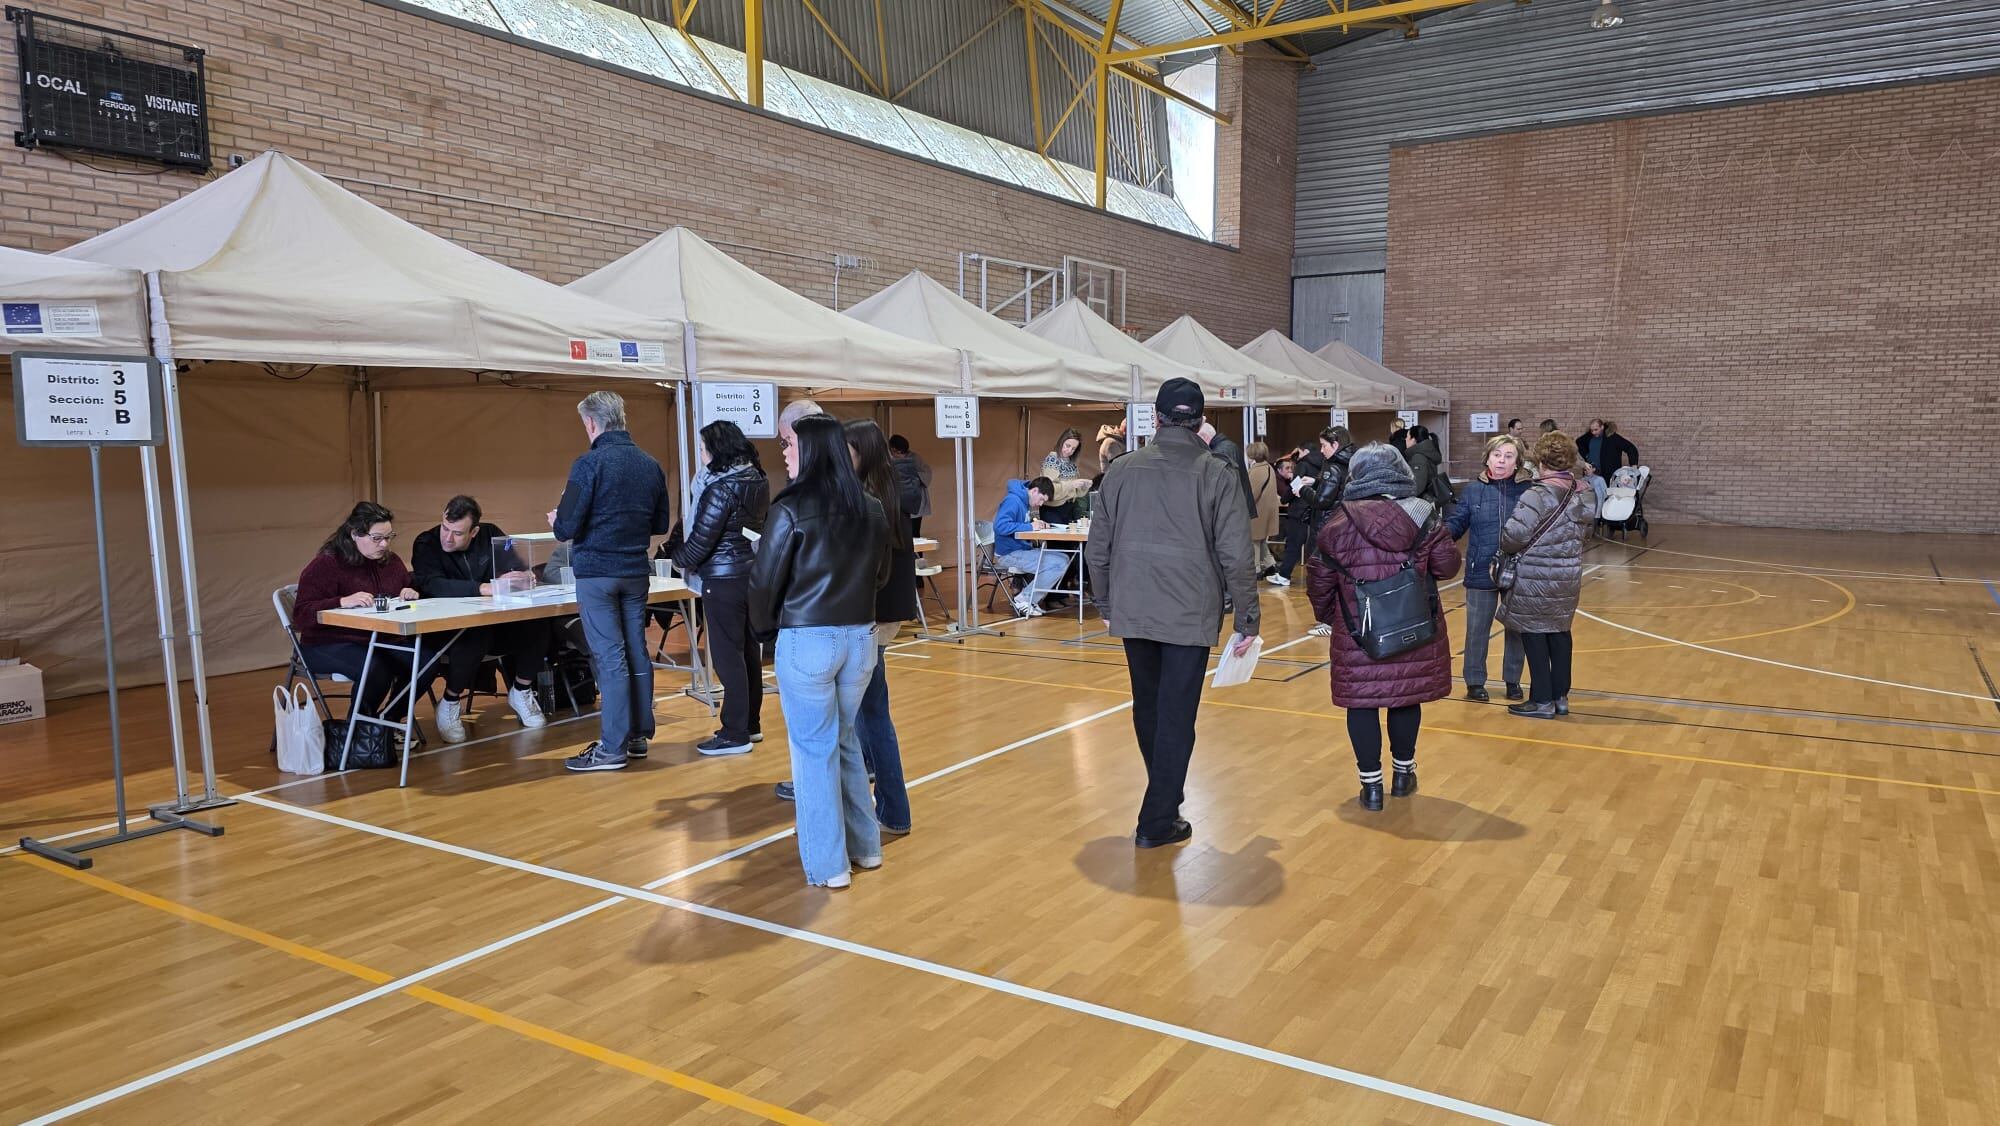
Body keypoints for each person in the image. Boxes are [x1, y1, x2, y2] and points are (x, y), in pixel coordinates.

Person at [1085, 377, 1258, 850]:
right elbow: (1238, 555)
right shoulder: (1217, 472)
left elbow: (1097, 546)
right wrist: (1248, 618)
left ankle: (1165, 799)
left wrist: (1104, 603)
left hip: (1134, 608)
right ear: (1202, 422)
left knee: (1149, 706)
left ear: (1156, 418)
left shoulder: (1120, 470)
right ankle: (1158, 816)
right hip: (1189, 612)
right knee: (1177, 714)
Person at [750, 414, 890, 889]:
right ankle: (866, 849)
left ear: (810, 450)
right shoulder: (870, 506)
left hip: (809, 638)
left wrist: (767, 631)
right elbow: (883, 575)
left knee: (813, 752)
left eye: (789, 444)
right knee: (844, 740)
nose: (784, 452)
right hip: (860, 638)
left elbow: (765, 581)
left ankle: (829, 866)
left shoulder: (789, 509)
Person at [1306, 444, 1461, 811]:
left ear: (1356, 476)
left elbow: (1318, 581)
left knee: (1362, 703)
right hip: (1414, 624)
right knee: (1404, 696)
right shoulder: (1423, 515)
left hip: (1359, 629)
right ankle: (1404, 774)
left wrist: (1332, 617)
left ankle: (1371, 787)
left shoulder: (1336, 523)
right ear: (1400, 472)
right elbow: (1448, 567)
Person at [550, 391, 673, 772]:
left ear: (591, 423)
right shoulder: (650, 465)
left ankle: (611, 748)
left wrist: (558, 519)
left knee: (609, 656)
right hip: (636, 570)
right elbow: (660, 525)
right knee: (636, 650)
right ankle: (637, 735)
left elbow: (566, 527)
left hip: (597, 574)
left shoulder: (587, 465)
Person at [407, 495, 550, 742]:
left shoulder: (492, 534)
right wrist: (484, 588)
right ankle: (450, 701)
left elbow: (514, 564)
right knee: (475, 632)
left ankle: (521, 689)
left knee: (538, 621)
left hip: (496, 623)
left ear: (474, 532)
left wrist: (523, 576)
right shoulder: (425, 543)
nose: (448, 537)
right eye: (445, 528)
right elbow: (432, 585)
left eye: (457, 533)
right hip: (449, 629)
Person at [676, 420, 769, 757]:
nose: (701, 455)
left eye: (702, 448)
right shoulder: (758, 479)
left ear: (716, 450)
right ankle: (751, 724)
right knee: (747, 652)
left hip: (723, 578)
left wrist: (677, 559)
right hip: (750, 573)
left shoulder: (719, 488)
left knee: (728, 656)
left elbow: (702, 540)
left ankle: (734, 732)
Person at [844, 418, 914, 836]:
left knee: (871, 716)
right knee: (870, 714)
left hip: (871, 616)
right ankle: (887, 802)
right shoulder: (888, 492)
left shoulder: (870, 498)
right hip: (884, 615)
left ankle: (893, 809)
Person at [1500, 431, 1598, 719]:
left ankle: (1541, 700)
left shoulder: (1537, 494)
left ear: (1541, 460)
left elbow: (1514, 536)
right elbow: (1587, 534)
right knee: (1560, 633)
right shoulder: (1584, 492)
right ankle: (1560, 697)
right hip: (1568, 574)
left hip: (1535, 575)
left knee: (1534, 634)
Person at [291, 502, 419, 718]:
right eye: (376, 538)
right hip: (326, 643)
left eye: (389, 537)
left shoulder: (391, 562)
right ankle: (359, 729)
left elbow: (406, 590)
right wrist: (340, 601)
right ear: (354, 534)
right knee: (376, 668)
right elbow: (301, 615)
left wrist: (411, 592)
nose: (384, 544)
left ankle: (388, 721)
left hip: (380, 639)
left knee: (425, 662)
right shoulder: (327, 564)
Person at [1447, 436, 1532, 702]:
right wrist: (1436, 538)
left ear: (1517, 462)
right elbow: (1457, 523)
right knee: (1476, 629)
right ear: (1487, 458)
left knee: (1516, 629)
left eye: (1508, 456)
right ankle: (1474, 682)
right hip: (1480, 569)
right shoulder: (1473, 491)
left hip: (1518, 570)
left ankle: (1512, 680)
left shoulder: (1528, 491)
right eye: (1497, 455)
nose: (1501, 461)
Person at [1270, 426, 1351, 597]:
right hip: (1339, 521)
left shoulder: (1331, 467)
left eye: (1324, 445)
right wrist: (1316, 482)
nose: (1322, 450)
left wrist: (1303, 489)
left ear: (1335, 445)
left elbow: (1322, 500)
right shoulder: (1346, 463)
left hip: (1323, 521)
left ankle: (1325, 620)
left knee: (1320, 571)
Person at [992, 476, 1067, 619]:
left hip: (1019, 549)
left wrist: (1036, 524)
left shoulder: (1023, 501)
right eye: (1041, 499)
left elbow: (1018, 524)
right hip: (1009, 553)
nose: (1040, 504)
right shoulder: (1013, 501)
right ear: (1034, 491)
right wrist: (1030, 526)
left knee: (1063, 557)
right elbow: (1000, 526)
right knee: (1058, 563)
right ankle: (1025, 598)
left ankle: (1029, 598)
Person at [1198, 420, 1258, 515]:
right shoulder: (1229, 446)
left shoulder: (1219, 452)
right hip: (1238, 506)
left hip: (1230, 509)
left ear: (1204, 437)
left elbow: (1220, 485)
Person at [1245, 441, 1281, 576]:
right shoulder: (1268, 468)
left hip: (1257, 512)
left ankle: (1256, 569)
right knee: (1260, 539)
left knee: (1253, 540)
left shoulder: (1256, 471)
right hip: (1267, 511)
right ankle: (1270, 564)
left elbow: (1251, 495)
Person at [887, 434, 932, 538]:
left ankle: (916, 555)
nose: (900, 455)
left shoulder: (914, 458)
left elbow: (927, 474)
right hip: (896, 504)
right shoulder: (888, 459)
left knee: (914, 534)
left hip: (914, 503)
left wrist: (914, 477)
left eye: (902, 452)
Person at [1402, 424, 1453, 510]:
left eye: (1407, 437)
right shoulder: (1427, 453)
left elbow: (1417, 486)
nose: (1405, 439)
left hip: (1421, 505)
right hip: (1429, 502)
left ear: (1413, 439)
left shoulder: (1418, 457)